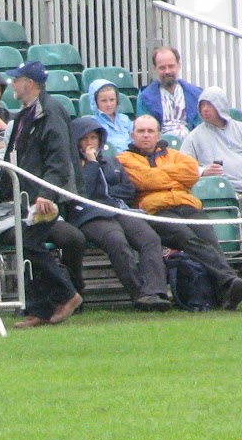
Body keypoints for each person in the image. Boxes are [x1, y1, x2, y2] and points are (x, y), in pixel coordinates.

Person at [120, 113, 242, 308]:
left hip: (187, 204)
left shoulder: (174, 154)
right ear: (132, 135)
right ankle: (229, 281)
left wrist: (159, 174)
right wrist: (174, 175)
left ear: (159, 134)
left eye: (150, 131)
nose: (146, 135)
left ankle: (225, 294)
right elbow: (144, 180)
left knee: (209, 238)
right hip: (155, 210)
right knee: (186, 237)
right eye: (141, 131)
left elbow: (191, 172)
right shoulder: (124, 158)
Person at [1, 61, 84, 328]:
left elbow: (58, 160)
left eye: (16, 80)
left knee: (29, 245)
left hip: (43, 195)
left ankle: (67, 294)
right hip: (30, 194)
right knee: (28, 246)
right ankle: (40, 309)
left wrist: (47, 193)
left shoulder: (49, 113)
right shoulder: (28, 113)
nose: (12, 84)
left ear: (29, 83)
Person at [67, 118, 171, 311]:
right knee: (117, 241)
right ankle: (139, 294)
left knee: (149, 238)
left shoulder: (109, 161)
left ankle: (156, 292)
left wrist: (108, 195)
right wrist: (90, 164)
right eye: (85, 139)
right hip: (88, 215)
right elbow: (83, 193)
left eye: (94, 138)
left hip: (116, 208)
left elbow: (127, 189)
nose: (90, 143)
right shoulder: (69, 165)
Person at [180, 87, 242, 196]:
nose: (205, 109)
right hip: (217, 190)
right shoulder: (194, 136)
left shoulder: (239, 128)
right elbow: (183, 165)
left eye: (210, 105)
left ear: (220, 105)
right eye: (202, 105)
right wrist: (203, 171)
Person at [137, 47, 202, 140]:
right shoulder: (145, 98)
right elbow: (145, 130)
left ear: (178, 66)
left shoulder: (196, 95)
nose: (167, 71)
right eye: (162, 68)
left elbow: (201, 127)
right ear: (155, 68)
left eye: (171, 66)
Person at [86, 79, 134, 156]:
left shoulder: (125, 119)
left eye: (112, 100)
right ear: (95, 102)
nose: (109, 104)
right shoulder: (93, 123)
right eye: (104, 101)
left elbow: (135, 139)